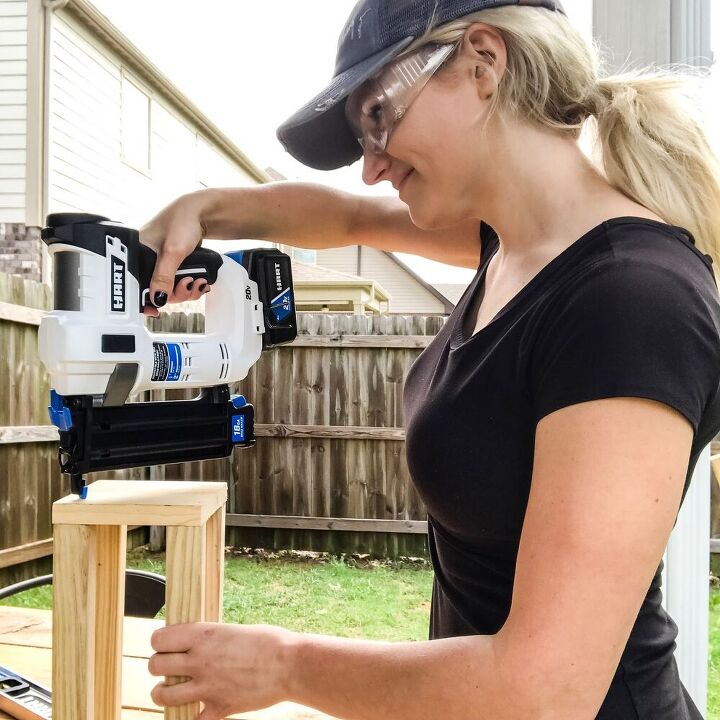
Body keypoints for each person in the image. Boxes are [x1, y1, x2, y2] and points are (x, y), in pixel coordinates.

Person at [140, 1, 720, 718]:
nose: (373, 166)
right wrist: (205, 209)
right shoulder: (511, 247)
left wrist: (282, 666)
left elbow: (544, 690)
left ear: (483, 61)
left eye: (378, 119)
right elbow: (348, 216)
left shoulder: (631, 299)